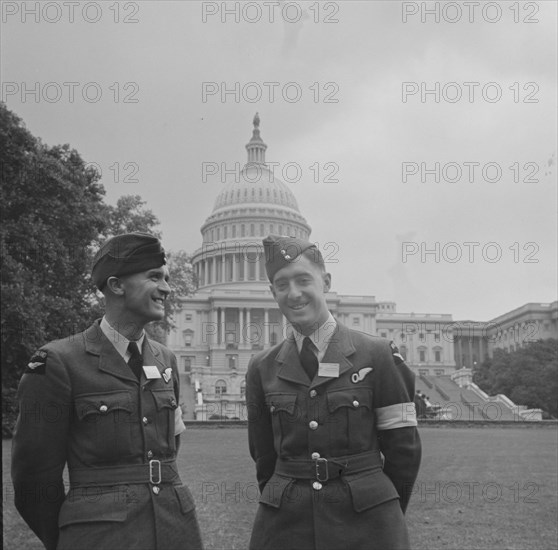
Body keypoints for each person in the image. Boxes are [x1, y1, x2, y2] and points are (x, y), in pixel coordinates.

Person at [11, 233, 203, 550]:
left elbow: (167, 451)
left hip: (176, 531)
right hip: (99, 539)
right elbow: (33, 479)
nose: (167, 288)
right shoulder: (58, 362)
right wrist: (74, 536)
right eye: (155, 277)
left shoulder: (166, 359)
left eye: (166, 278)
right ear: (116, 285)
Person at [245, 235, 422, 550]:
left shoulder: (378, 354)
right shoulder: (262, 367)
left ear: (325, 282)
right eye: (282, 285)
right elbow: (264, 457)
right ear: (273, 293)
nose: (294, 294)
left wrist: (383, 511)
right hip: (285, 526)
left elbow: (404, 450)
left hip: (367, 525)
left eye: (303, 280)